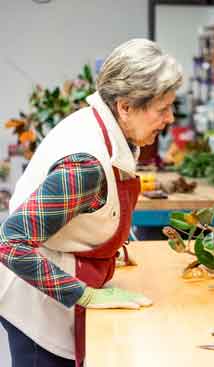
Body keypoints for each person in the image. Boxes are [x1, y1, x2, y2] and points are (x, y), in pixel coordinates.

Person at [0, 39, 183, 366]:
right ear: (126, 106)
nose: (170, 118)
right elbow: (10, 243)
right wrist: (82, 294)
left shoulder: (110, 130)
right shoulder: (86, 164)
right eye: (162, 108)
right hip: (35, 304)